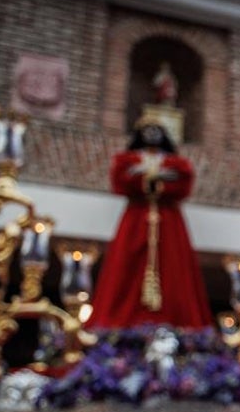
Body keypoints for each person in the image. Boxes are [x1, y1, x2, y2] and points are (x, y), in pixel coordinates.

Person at [86, 122, 212, 330]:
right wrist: (146, 175)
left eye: (157, 131)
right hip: (137, 218)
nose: (152, 135)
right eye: (147, 131)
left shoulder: (176, 163)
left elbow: (183, 182)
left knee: (173, 266)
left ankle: (178, 323)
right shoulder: (129, 160)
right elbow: (120, 181)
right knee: (127, 265)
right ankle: (119, 323)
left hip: (168, 219)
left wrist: (155, 177)